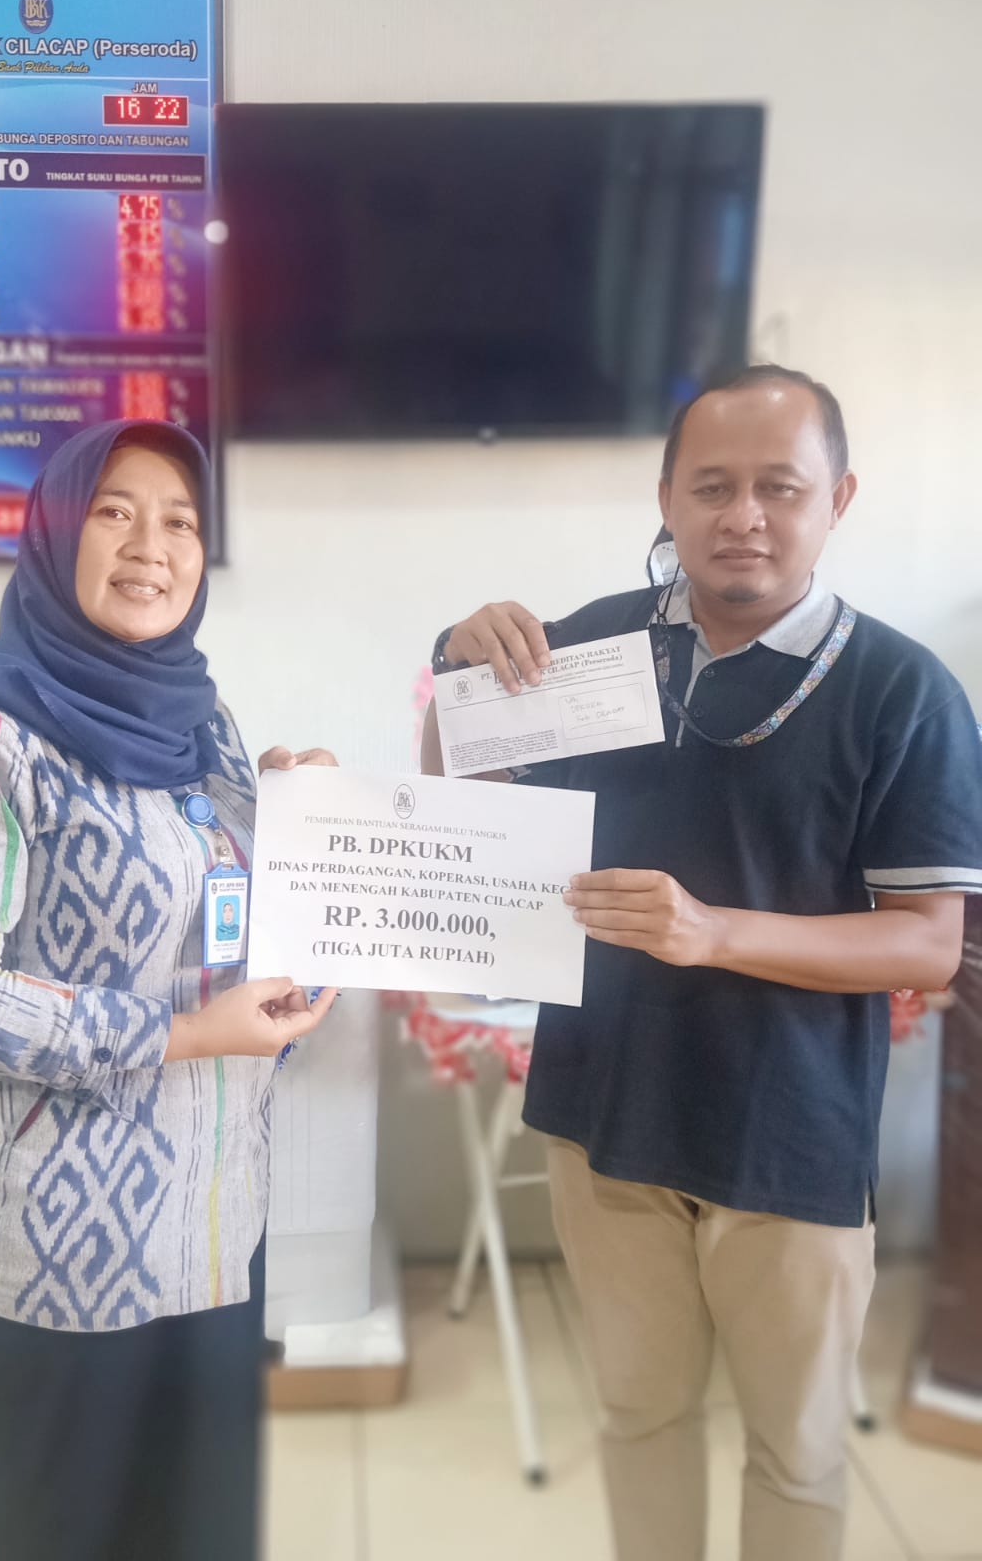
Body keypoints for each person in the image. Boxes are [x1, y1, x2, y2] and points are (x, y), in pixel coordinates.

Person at [421, 365, 982, 1561]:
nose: (746, 516)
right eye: (713, 486)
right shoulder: (585, 651)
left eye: (782, 486)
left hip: (792, 1138)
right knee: (639, 1418)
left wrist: (714, 931)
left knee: (797, 1452)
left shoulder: (904, 693)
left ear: (839, 498)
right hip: (602, 1119)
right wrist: (458, 676)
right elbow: (463, 811)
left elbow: (929, 942)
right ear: (666, 497)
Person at [0, 419, 337, 1561]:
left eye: (180, 521)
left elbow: (209, 931)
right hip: (55, 1244)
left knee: (200, 1529)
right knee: (53, 1530)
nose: (151, 546)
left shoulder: (204, 722)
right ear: (53, 533)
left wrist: (306, 829)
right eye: (114, 512)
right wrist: (182, 1035)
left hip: (214, 1224)